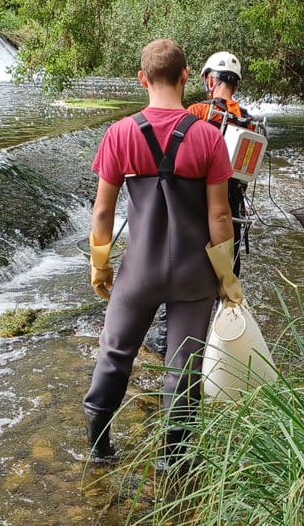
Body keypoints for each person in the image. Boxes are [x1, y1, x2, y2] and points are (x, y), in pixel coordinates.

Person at [83, 39, 244, 465]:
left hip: (139, 272)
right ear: (187, 76)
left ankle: (99, 452)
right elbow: (221, 216)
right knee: (184, 369)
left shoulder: (120, 133)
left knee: (116, 355)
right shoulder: (209, 138)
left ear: (142, 79)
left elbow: (102, 210)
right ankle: (173, 462)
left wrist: (100, 266)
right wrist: (226, 276)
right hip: (194, 276)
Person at [145, 50, 258, 356]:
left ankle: (168, 335)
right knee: (226, 273)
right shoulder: (250, 122)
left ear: (210, 79)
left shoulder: (195, 112)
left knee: (182, 268)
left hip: (195, 208)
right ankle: (220, 338)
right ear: (235, 84)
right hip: (232, 209)